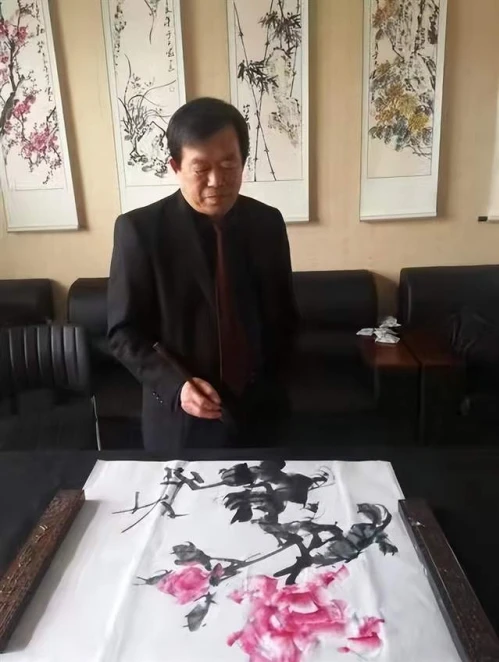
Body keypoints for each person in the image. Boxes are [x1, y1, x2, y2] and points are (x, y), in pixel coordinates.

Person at [107, 97, 297, 451]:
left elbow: (283, 316)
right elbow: (123, 332)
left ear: (243, 161)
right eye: (201, 168)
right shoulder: (140, 231)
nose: (216, 180)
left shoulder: (267, 223)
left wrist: (278, 382)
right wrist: (176, 387)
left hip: (264, 417)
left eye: (228, 164)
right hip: (183, 423)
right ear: (175, 166)